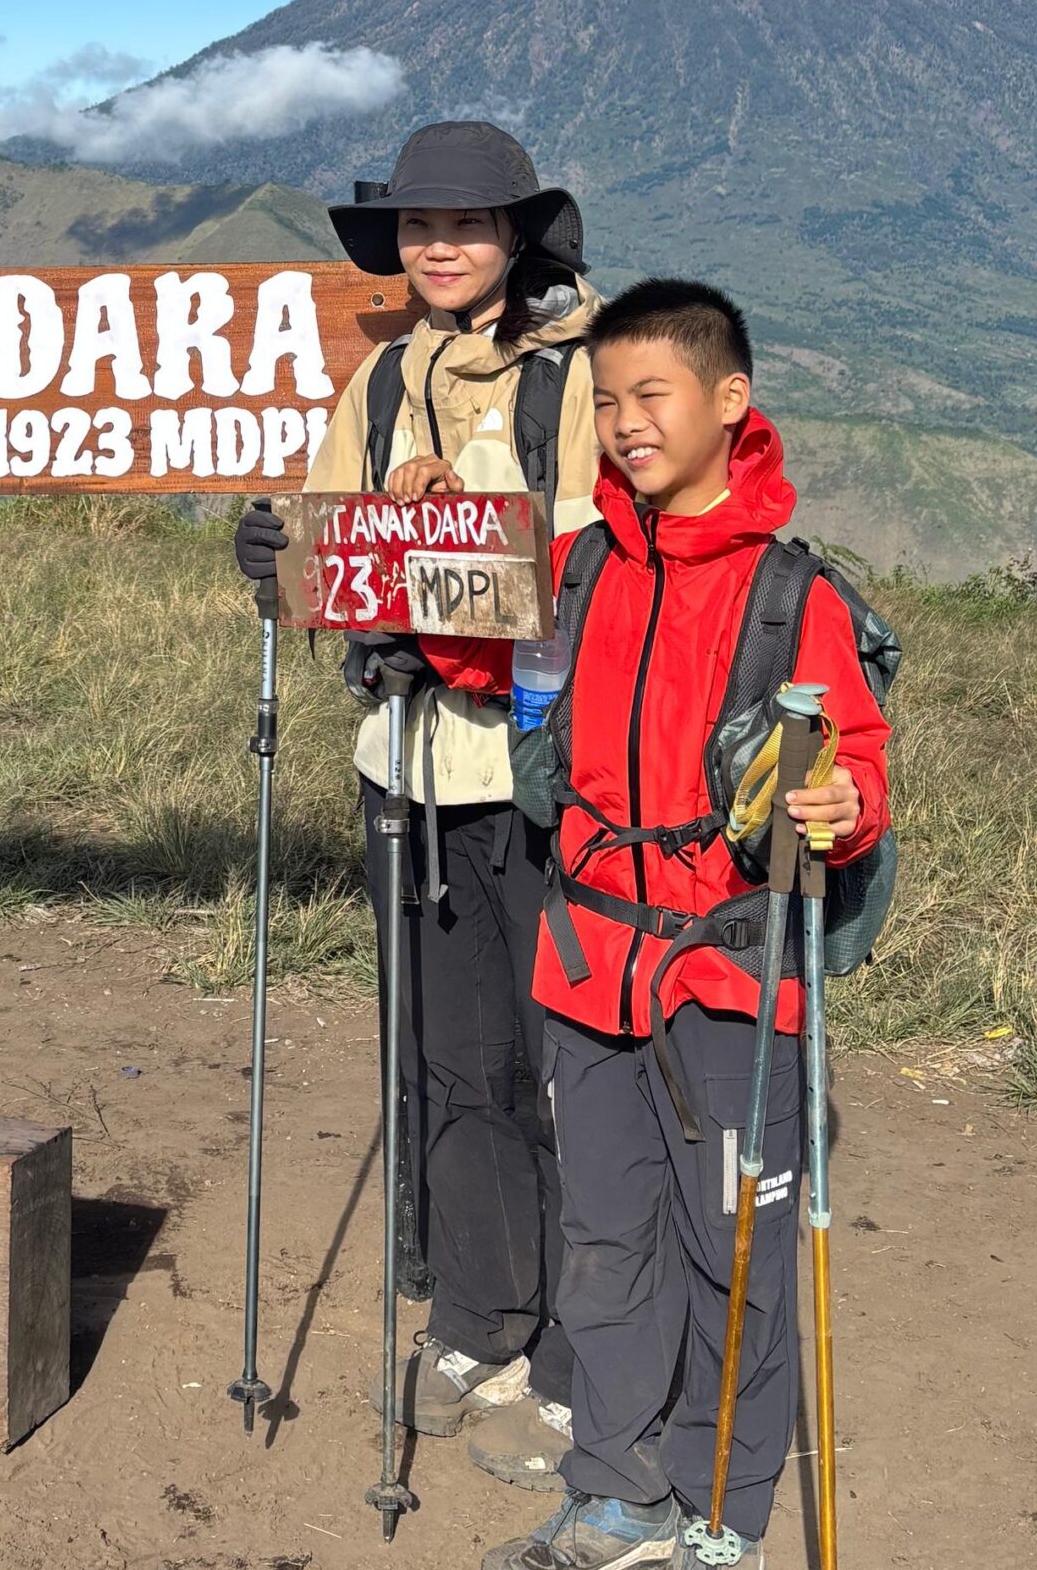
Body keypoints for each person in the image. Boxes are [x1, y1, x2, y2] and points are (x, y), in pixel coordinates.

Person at [484, 279, 891, 1570]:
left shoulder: (794, 595)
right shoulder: (582, 567)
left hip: (730, 988)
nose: (622, 422)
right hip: (591, 965)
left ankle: (726, 1511)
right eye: (605, 401)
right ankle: (617, 1491)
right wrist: (323, 573)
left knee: (736, 1254)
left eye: (649, 395)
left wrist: (842, 803)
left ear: (730, 401)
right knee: (604, 1239)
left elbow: (858, 768)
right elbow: (478, 657)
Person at [235, 122, 605, 1486]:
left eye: (470, 221)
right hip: (411, 769)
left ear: (519, 237)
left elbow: (590, 566)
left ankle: (580, 1347)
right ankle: (481, 1311)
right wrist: (277, 560)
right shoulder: (382, 382)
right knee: (453, 1059)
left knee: (571, 1067)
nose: (440, 243)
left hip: (545, 779)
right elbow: (336, 562)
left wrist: (443, 603)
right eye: (419, 223)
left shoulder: (575, 380)